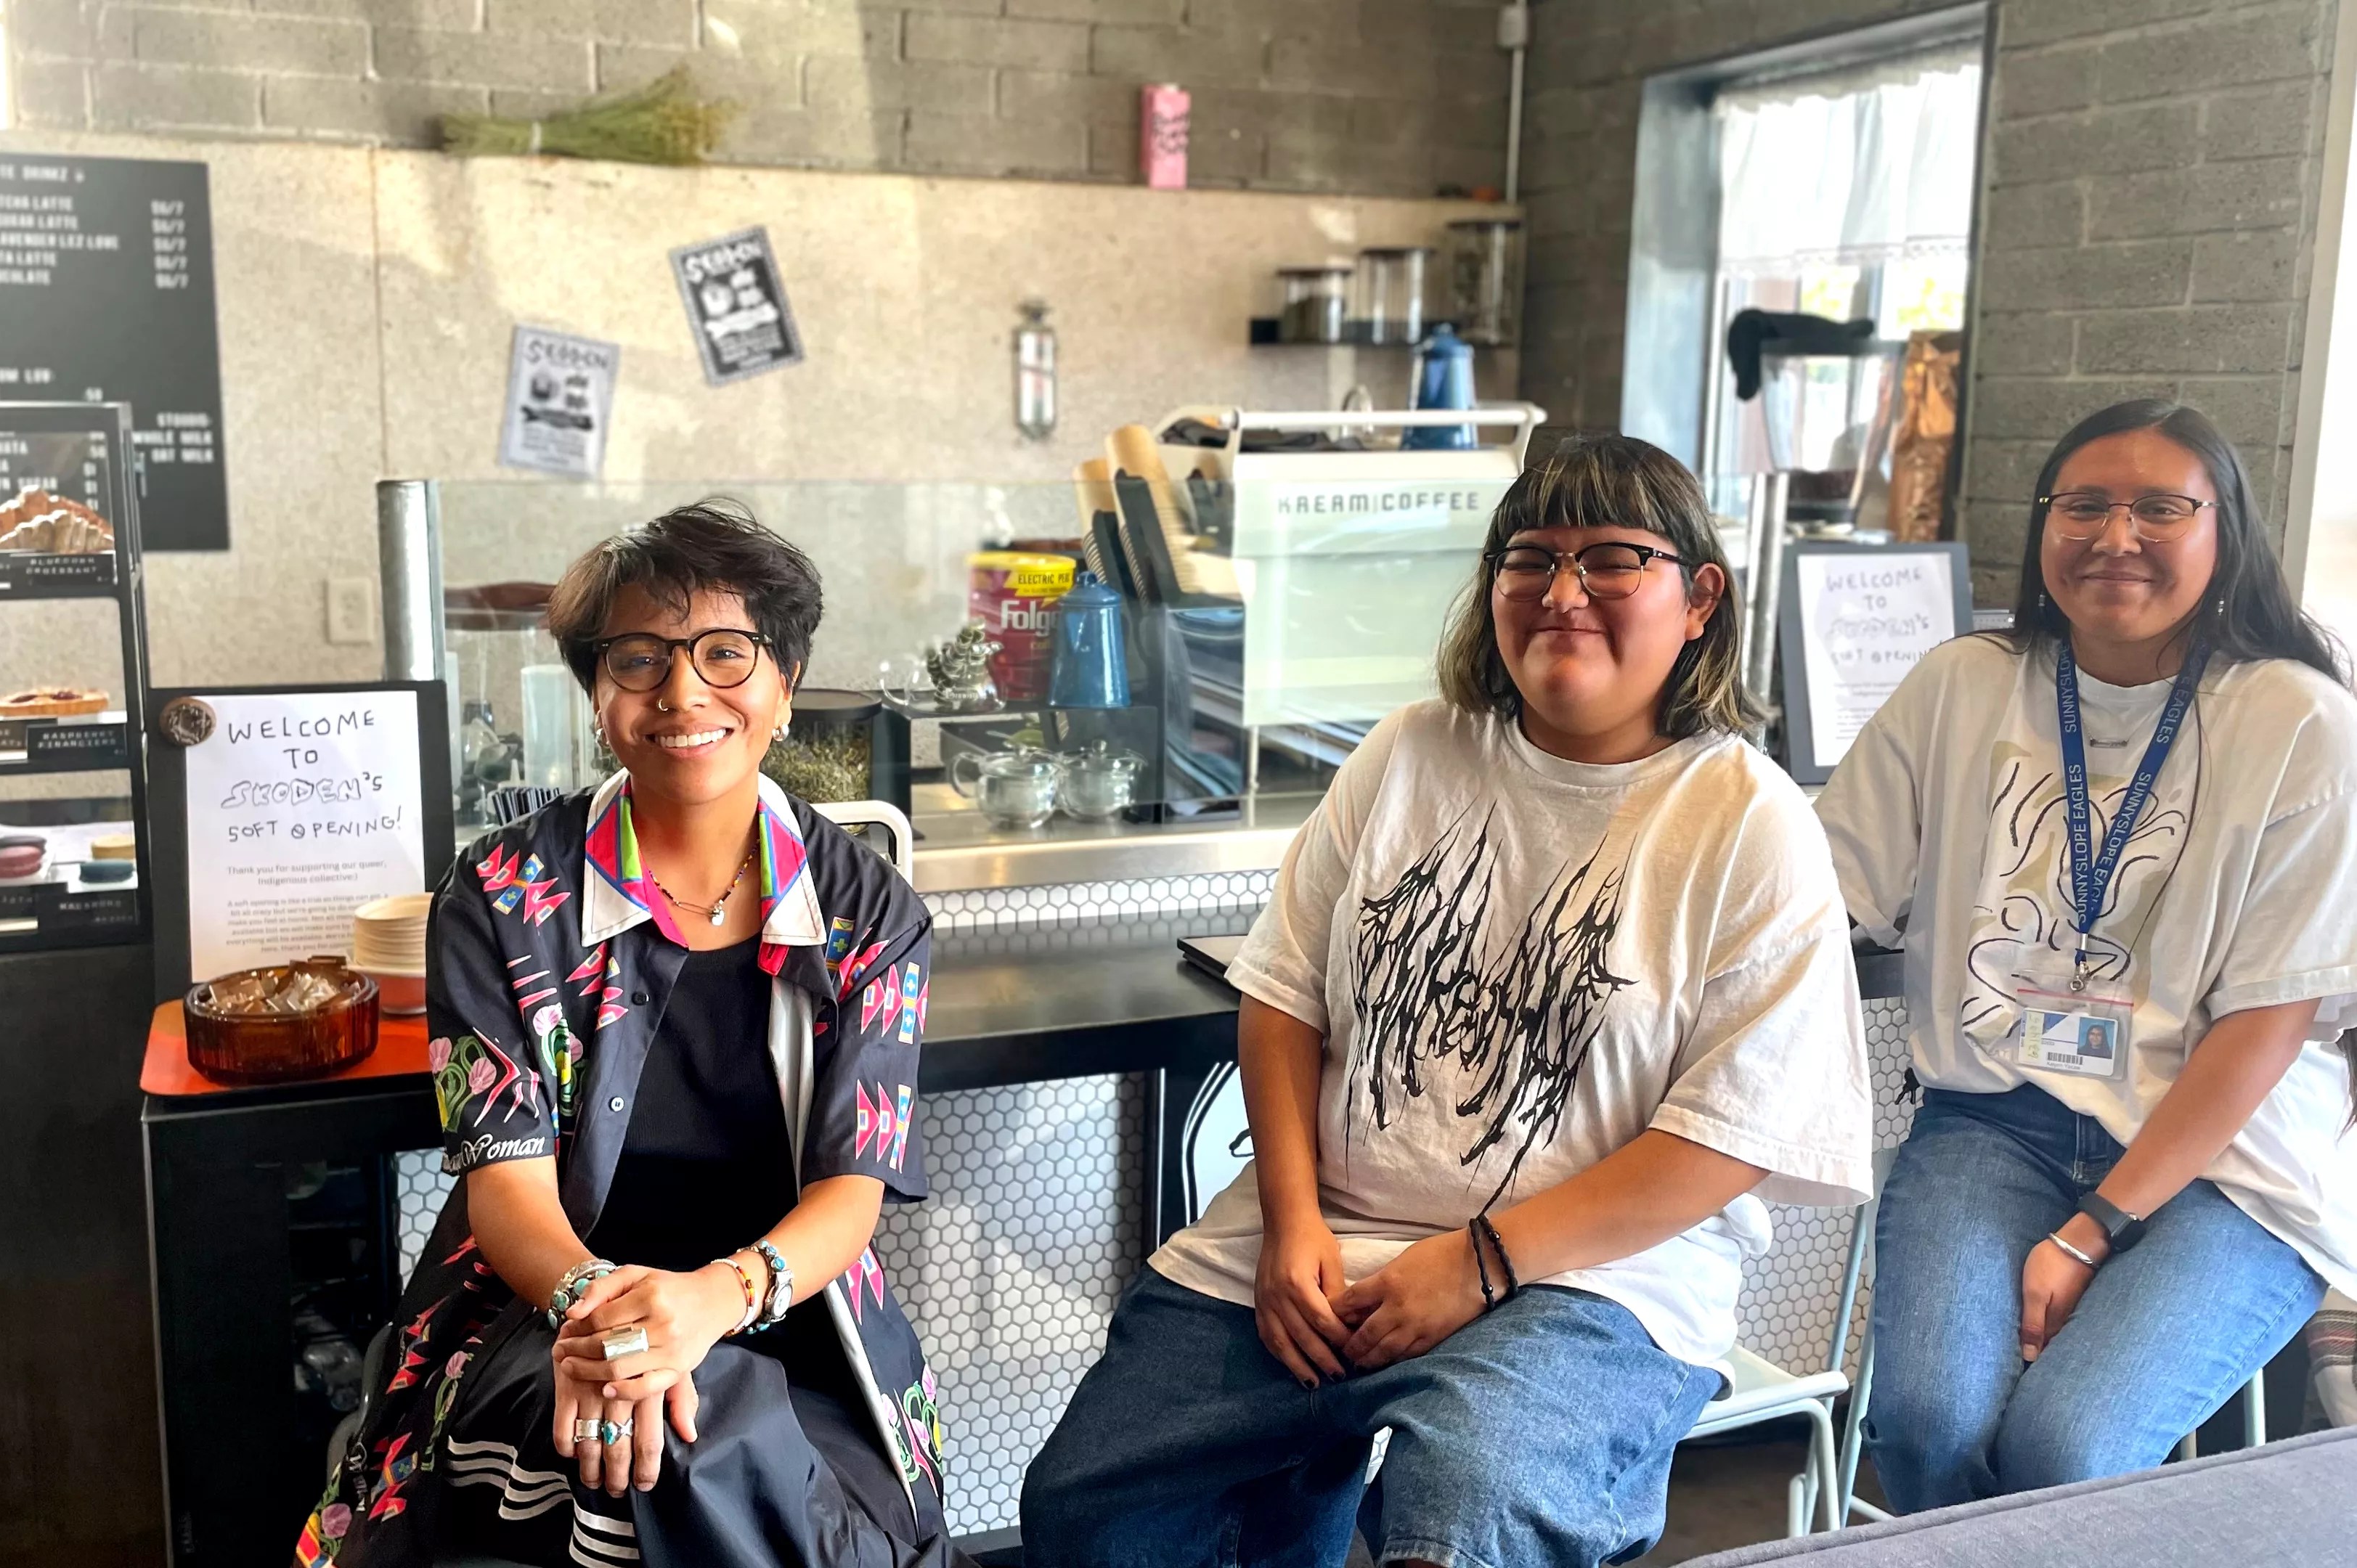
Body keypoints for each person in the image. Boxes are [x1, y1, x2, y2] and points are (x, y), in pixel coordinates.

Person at [1021, 435, 1873, 1568]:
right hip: (1324, 1243)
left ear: (1700, 597)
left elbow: (1729, 1140)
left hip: (1588, 1282)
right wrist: (1290, 1224)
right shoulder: (1410, 753)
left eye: (1613, 561)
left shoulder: (1746, 821)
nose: (1562, 595)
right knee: (1091, 1501)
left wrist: (1480, 1260)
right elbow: (1283, 999)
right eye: (1531, 559)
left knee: (1469, 1506)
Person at [298, 503, 956, 1568]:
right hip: (538, 1308)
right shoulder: (505, 894)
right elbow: (502, 1189)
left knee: (728, 1447)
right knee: (694, 1450)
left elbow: (853, 1192)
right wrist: (608, 1322)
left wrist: (709, 1303)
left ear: (785, 686)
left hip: (787, 1309)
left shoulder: (867, 910)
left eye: (727, 654)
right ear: (598, 696)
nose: (685, 692)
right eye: (640, 659)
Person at [1816, 399, 2357, 1511]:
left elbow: (2269, 1021)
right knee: (1924, 1428)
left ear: (2228, 535)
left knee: (2066, 1449)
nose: (2116, 536)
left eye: (2161, 507)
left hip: (2227, 1161)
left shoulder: (2302, 723)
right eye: (2084, 505)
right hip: (1994, 1120)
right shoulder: (1964, 683)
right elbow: (1822, 893)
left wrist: (2094, 1226)